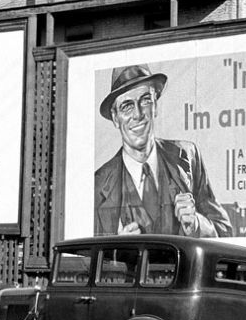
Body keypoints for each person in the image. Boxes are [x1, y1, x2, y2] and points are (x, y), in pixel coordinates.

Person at [94, 64, 233, 238]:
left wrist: (196, 224)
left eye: (145, 100)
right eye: (127, 106)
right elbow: (88, 258)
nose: (138, 114)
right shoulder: (98, 183)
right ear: (115, 118)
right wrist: (117, 249)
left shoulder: (188, 156)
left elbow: (225, 233)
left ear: (155, 107)